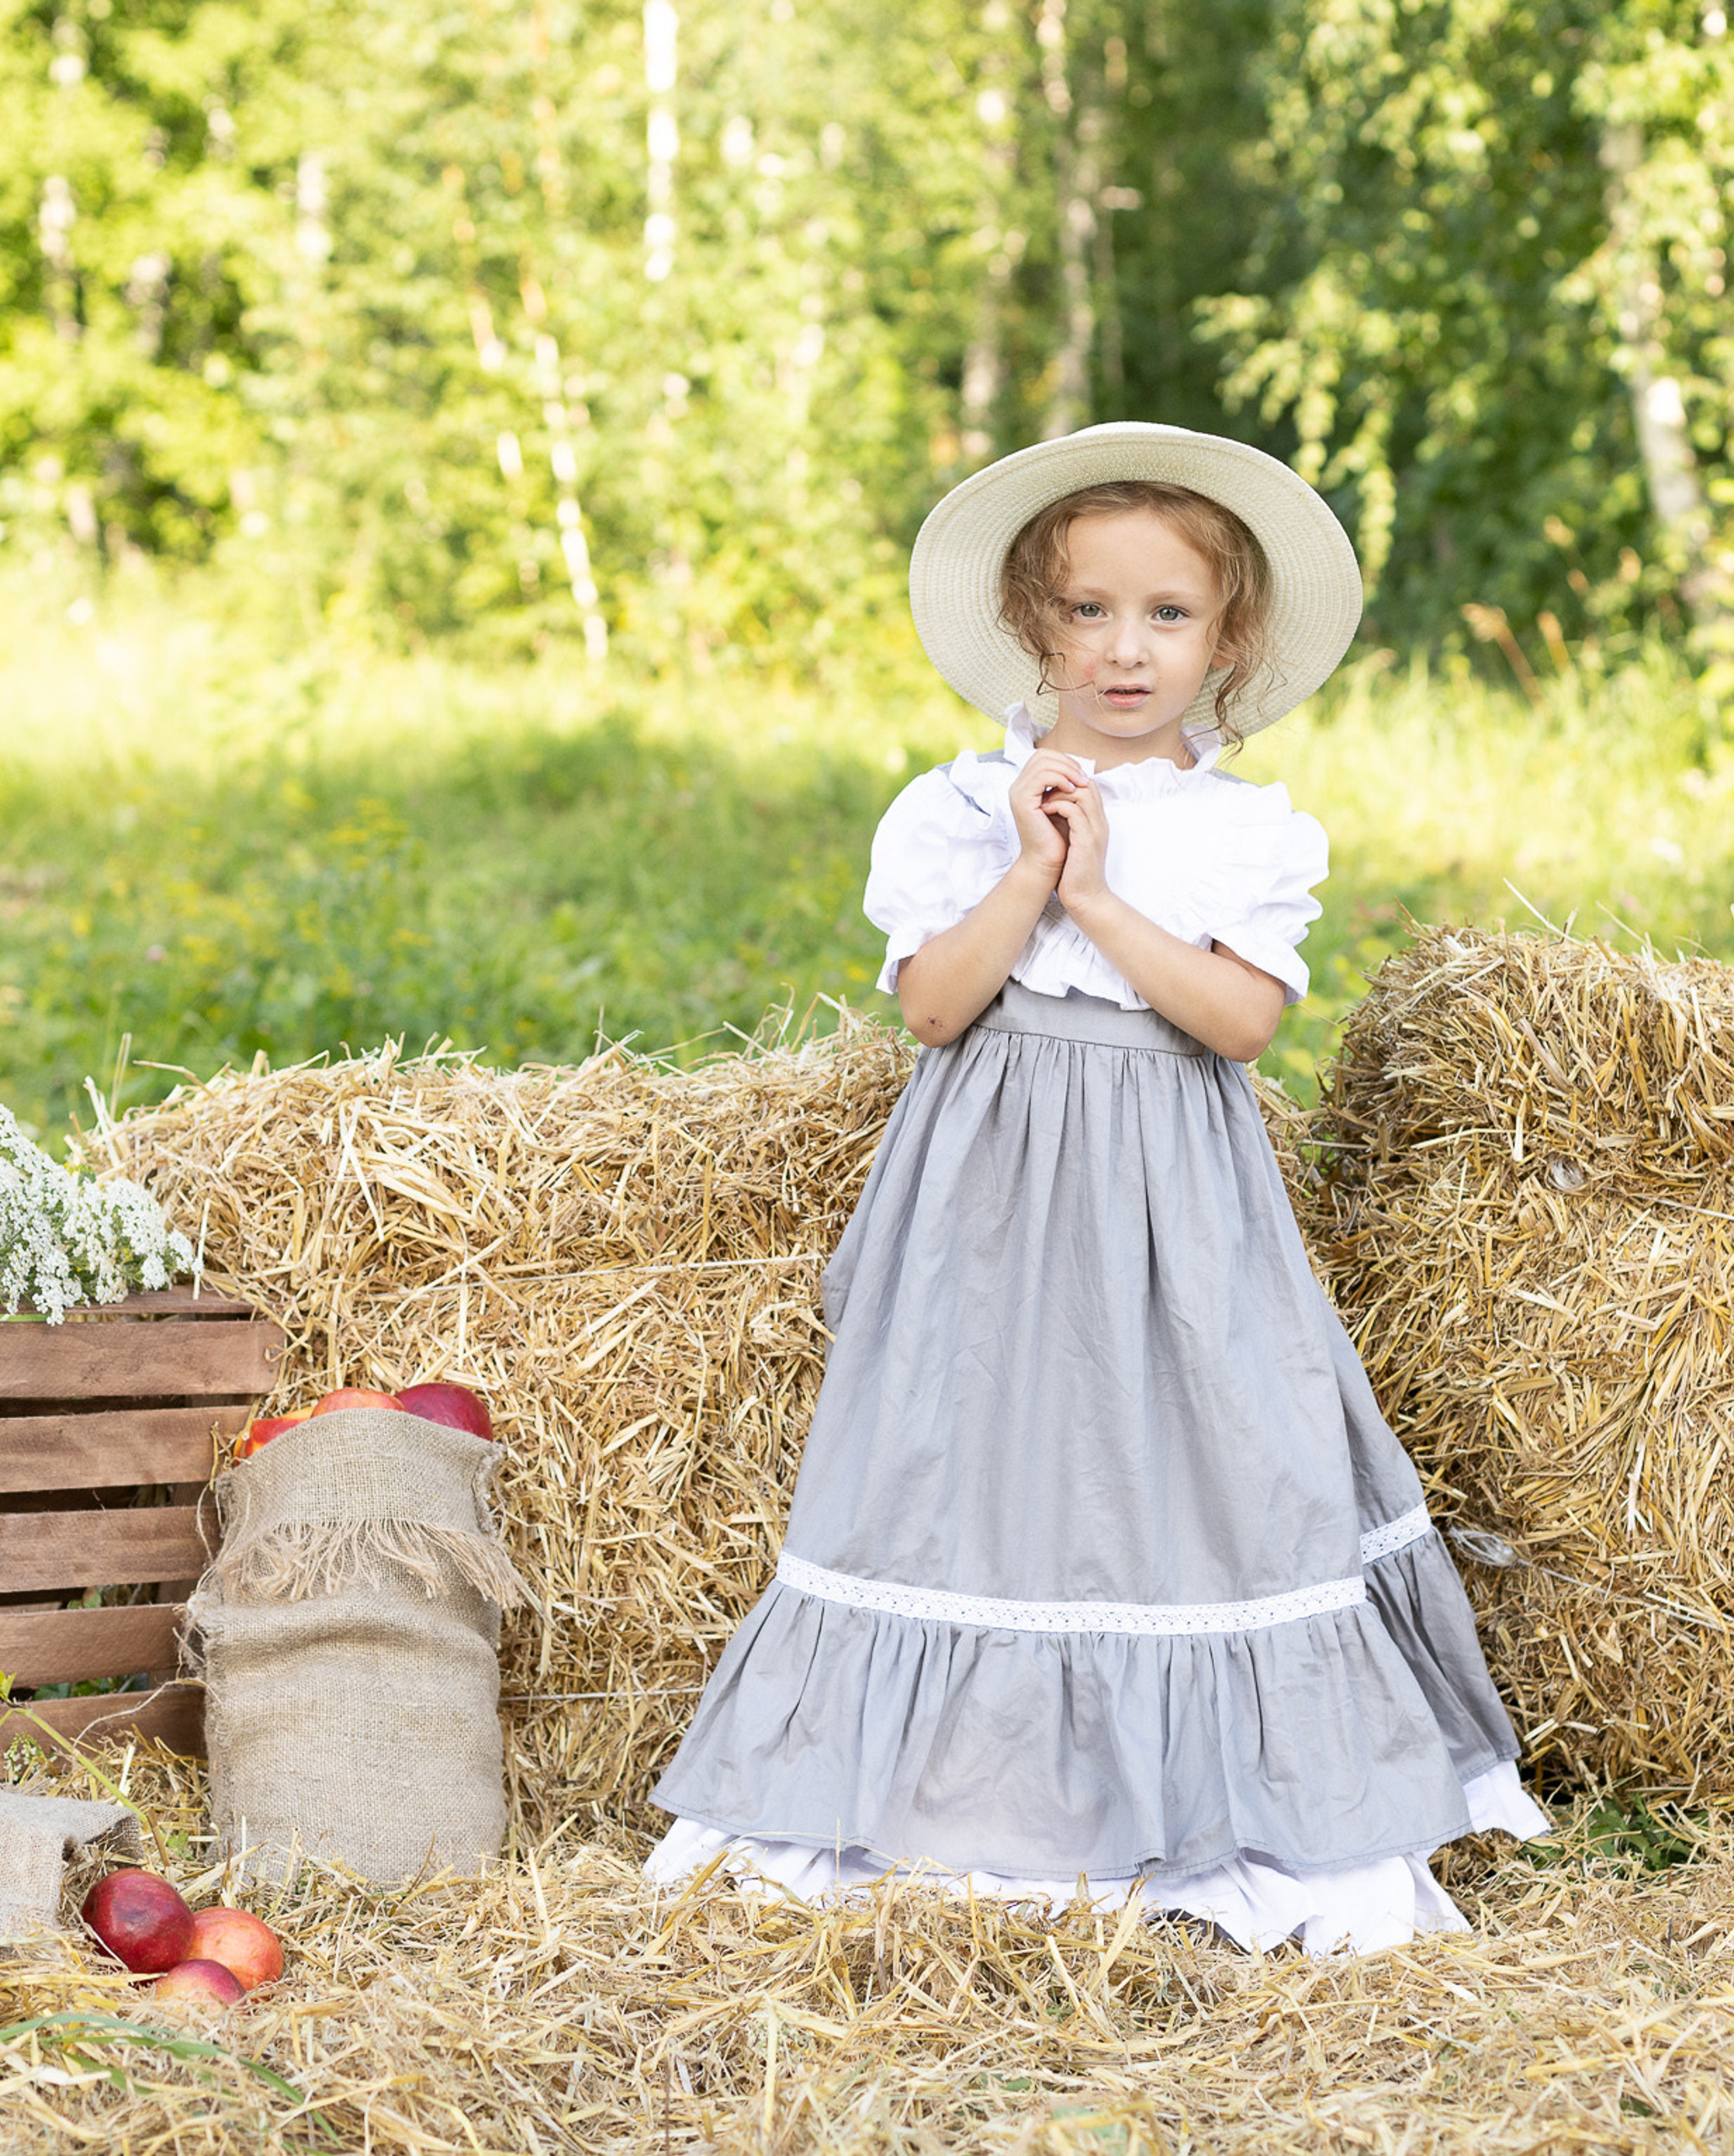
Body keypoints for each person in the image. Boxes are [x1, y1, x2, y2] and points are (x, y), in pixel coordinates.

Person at [645, 423, 1546, 1954]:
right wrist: (1022, 868)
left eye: (1168, 616)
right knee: (968, 1454)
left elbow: (1242, 1024)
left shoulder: (1246, 830)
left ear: (1228, 640)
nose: (1126, 650)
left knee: (1207, 1457)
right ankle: (955, 1799)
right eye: (1088, 611)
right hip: (984, 1195)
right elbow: (935, 1009)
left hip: (1175, 1201)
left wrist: (1100, 895)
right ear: (1032, 626)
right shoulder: (954, 806)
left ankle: (1217, 1786)